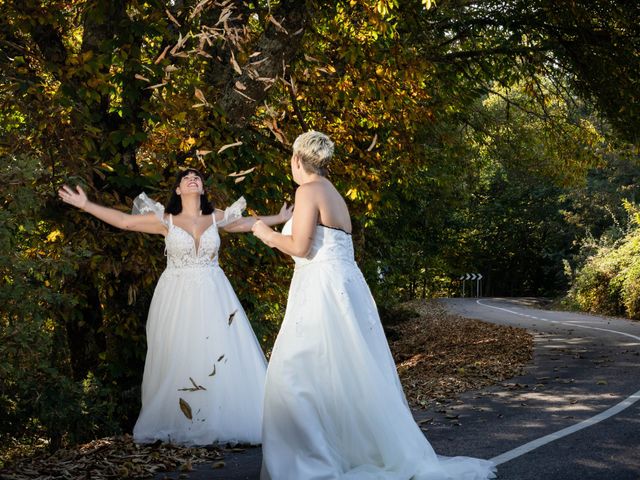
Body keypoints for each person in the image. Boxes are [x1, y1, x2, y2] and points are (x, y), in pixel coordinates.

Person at [252, 131, 497, 479]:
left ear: (296, 160)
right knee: (340, 374)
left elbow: (301, 247)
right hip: (341, 284)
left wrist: (267, 234)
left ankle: (309, 465)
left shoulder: (307, 191)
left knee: (296, 374)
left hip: (321, 289)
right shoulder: (333, 193)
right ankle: (336, 453)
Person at [59, 168, 292, 446]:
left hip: (214, 293)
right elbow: (124, 221)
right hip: (176, 295)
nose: (192, 179)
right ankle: (184, 423)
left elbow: (246, 223)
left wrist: (278, 218)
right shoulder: (165, 220)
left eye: (197, 177)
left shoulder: (215, 217)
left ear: (203, 189)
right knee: (181, 352)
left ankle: (221, 419)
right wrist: (86, 204)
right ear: (178, 190)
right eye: (186, 178)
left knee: (219, 351)